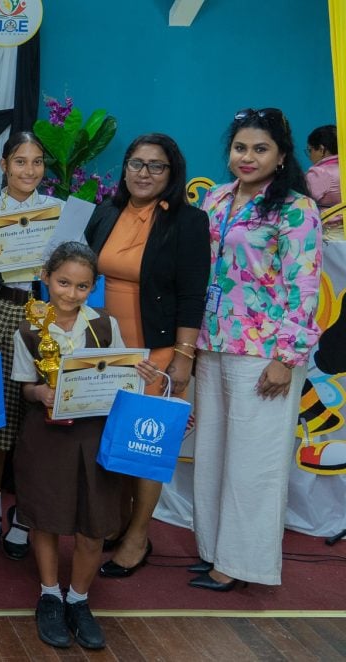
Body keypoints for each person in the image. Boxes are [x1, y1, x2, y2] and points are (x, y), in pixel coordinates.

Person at [189, 107, 322, 591]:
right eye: (241, 147)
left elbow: (304, 286)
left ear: (281, 155)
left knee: (254, 462)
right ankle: (213, 550)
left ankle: (241, 565)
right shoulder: (218, 198)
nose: (247, 157)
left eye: (260, 149)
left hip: (265, 353)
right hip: (212, 343)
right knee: (213, 454)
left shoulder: (296, 209)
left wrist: (287, 357)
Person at [83, 134, 211, 578]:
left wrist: (184, 355)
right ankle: (117, 523)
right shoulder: (105, 212)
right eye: (136, 163)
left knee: (143, 445)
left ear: (172, 173)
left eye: (156, 166)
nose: (143, 172)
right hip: (102, 349)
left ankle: (138, 537)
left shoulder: (189, 222)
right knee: (108, 440)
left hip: (155, 350)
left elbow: (194, 295)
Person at [13, 242, 152, 650]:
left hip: (95, 436)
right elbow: (24, 386)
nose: (70, 294)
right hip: (47, 436)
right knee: (47, 518)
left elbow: (123, 380)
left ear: (93, 287)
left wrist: (139, 372)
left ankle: (79, 599)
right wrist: (41, 394)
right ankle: (50, 595)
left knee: (93, 522)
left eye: (82, 287)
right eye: (62, 283)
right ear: (46, 278)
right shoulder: (29, 327)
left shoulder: (105, 325)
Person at [0, 132, 64, 560]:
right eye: (21, 161)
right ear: (4, 165)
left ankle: (25, 512)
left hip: (50, 316)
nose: (30, 170)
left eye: (37, 162)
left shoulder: (60, 213)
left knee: (37, 417)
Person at [305, 125, 340, 238]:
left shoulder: (319, 173)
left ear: (321, 149)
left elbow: (300, 203)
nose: (310, 156)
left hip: (331, 236)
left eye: (310, 150)